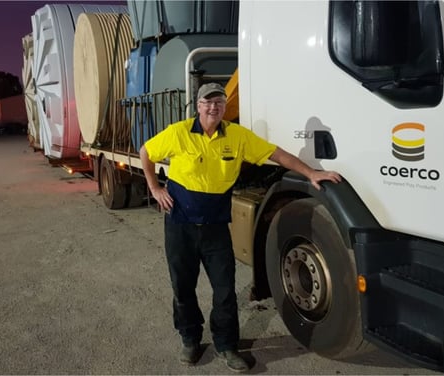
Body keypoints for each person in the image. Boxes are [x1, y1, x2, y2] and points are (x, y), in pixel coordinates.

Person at [140, 83, 341, 372]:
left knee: (224, 291)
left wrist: (311, 172)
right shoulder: (179, 132)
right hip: (180, 226)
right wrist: (155, 187)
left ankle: (226, 345)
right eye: (207, 102)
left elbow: (276, 154)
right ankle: (190, 339)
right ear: (198, 106)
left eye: (219, 102)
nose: (213, 107)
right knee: (182, 287)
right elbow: (145, 152)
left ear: (224, 107)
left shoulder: (237, 137)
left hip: (216, 229)